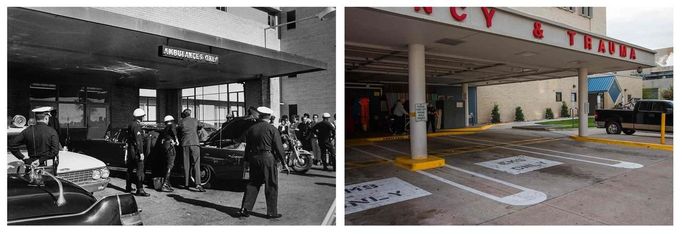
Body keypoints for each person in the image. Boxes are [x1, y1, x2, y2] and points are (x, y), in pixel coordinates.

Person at [237, 107, 291, 219]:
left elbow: (248, 147)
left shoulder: (251, 129)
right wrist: (284, 162)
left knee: (253, 184)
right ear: (269, 116)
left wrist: (246, 161)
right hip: (267, 158)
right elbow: (278, 147)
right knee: (271, 184)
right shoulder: (272, 129)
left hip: (254, 158)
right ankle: (271, 212)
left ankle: (245, 209)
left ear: (260, 116)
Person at [9, 107, 60, 174]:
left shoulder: (27, 131)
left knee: (30, 183)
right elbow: (55, 151)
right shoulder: (52, 131)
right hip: (47, 168)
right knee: (48, 183)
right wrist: (40, 160)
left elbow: (12, 145)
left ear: (36, 118)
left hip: (31, 166)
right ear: (46, 118)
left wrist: (24, 158)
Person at [178, 109, 205, 192]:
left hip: (185, 143)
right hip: (194, 143)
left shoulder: (181, 122)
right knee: (196, 163)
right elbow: (201, 125)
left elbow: (179, 131)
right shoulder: (195, 120)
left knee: (186, 164)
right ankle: (198, 184)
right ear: (190, 114)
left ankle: (186, 184)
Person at [125, 108, 150, 196]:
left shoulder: (131, 124)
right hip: (136, 151)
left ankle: (128, 187)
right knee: (140, 170)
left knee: (130, 169)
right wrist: (141, 153)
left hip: (131, 150)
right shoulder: (137, 126)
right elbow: (138, 140)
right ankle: (140, 190)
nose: (143, 118)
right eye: (142, 116)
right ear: (140, 117)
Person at [159, 115, 179, 192]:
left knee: (167, 164)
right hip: (170, 146)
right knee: (170, 164)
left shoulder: (165, 129)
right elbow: (174, 132)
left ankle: (167, 183)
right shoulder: (172, 126)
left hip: (165, 146)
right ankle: (165, 184)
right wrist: (176, 140)